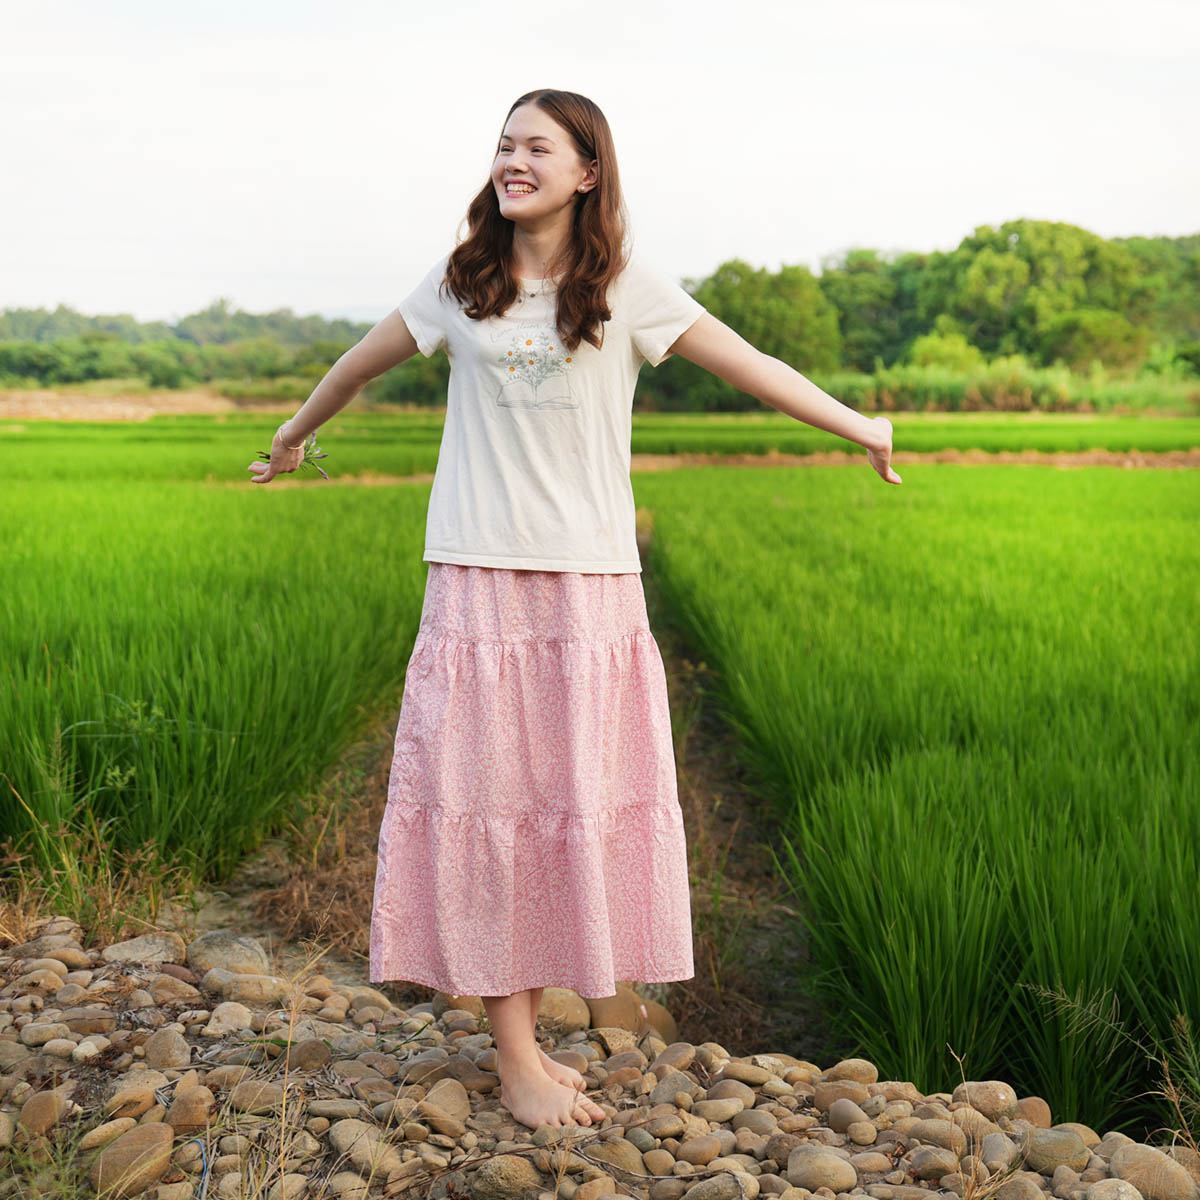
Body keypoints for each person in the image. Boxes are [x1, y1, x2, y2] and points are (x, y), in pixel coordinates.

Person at [248, 87, 900, 1132]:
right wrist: (291, 434)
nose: (513, 160)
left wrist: (860, 424)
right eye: (503, 144)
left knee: (574, 808)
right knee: (489, 805)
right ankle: (514, 1054)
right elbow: (356, 367)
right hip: (477, 581)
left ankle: (552, 1036)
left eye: (536, 147)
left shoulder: (628, 289)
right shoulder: (460, 283)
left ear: (587, 170)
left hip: (591, 588)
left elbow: (753, 368)